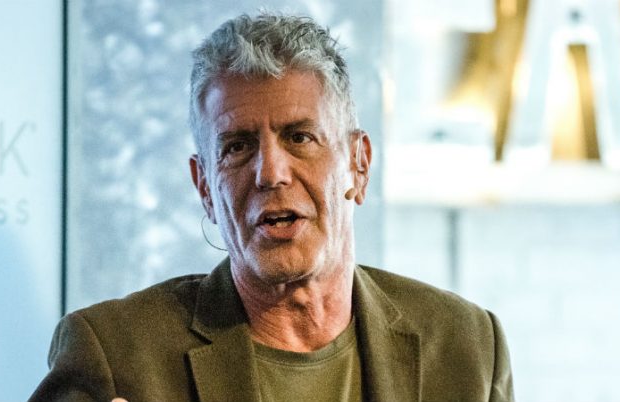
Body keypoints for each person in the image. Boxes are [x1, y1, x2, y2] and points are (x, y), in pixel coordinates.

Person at [29, 13, 514, 402]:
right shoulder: (113, 355)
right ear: (205, 188)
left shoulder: (468, 347)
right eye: (237, 147)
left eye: (299, 137)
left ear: (359, 165)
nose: (270, 172)